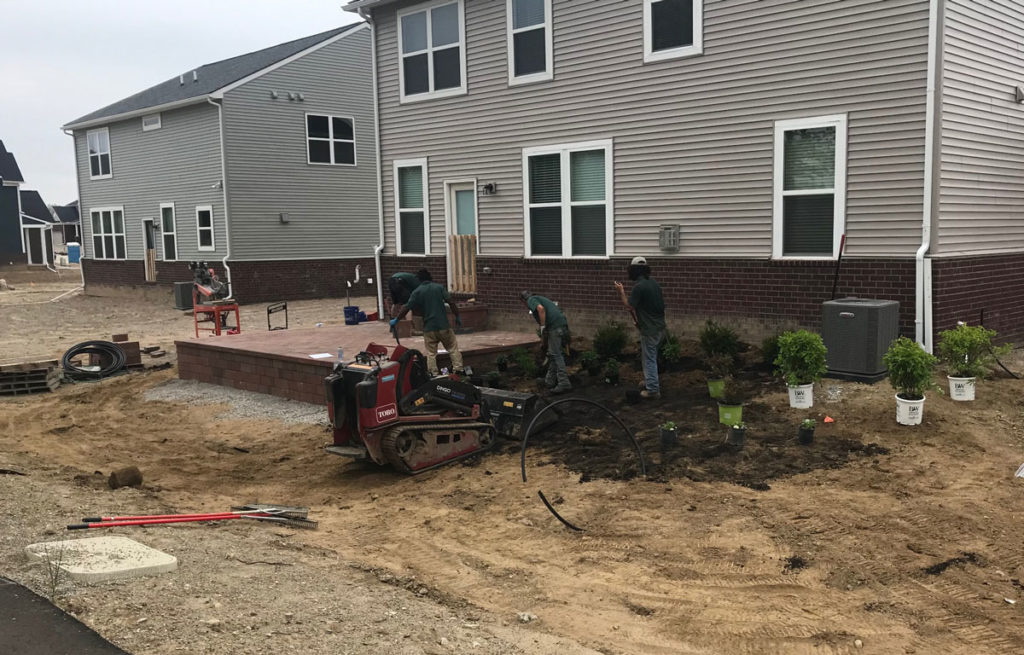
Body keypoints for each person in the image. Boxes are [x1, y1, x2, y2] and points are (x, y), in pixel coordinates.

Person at [390, 269, 464, 376]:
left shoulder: (417, 291)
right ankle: (458, 370)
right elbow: (451, 302)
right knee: (452, 349)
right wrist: (457, 316)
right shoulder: (439, 288)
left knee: (431, 354)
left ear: (419, 280)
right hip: (443, 326)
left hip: (429, 328)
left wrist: (397, 319)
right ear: (430, 278)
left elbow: (406, 307)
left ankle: (433, 374)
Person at [614, 256, 666, 399]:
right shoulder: (654, 283)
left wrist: (621, 291)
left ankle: (653, 390)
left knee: (649, 359)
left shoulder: (639, 287)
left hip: (650, 331)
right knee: (651, 356)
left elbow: (629, 305)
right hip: (660, 328)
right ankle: (651, 381)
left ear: (634, 271)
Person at [520, 291, 571, 394]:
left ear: (523, 301)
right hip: (559, 326)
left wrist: (542, 327)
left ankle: (564, 383)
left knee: (556, 355)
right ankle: (549, 381)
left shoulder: (531, 300)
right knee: (553, 354)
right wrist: (544, 341)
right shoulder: (539, 298)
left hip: (555, 327)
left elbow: (541, 309)